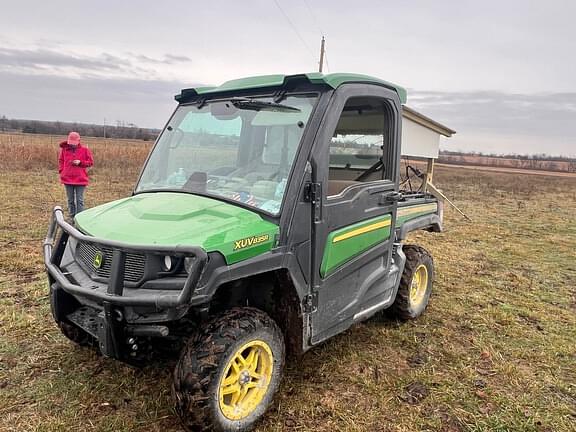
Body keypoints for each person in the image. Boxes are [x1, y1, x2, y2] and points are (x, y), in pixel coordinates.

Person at [58, 131, 94, 218]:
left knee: (79, 200)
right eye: (71, 143)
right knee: (70, 200)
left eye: (74, 143)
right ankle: (71, 216)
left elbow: (90, 162)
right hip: (67, 178)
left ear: (79, 141)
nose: (72, 145)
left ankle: (80, 218)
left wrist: (80, 162)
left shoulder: (85, 150)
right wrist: (62, 171)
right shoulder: (64, 150)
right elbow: (61, 161)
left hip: (80, 179)